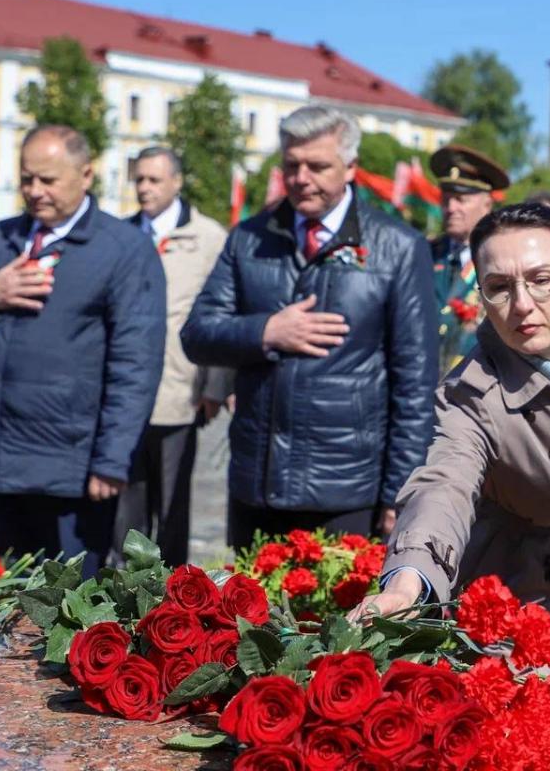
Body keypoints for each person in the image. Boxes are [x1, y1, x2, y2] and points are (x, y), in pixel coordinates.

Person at [360, 203, 550, 663]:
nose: (523, 304)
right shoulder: (472, 393)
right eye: (500, 288)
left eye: (542, 279)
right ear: (483, 299)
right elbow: (445, 484)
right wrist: (410, 581)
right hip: (515, 584)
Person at [180, 105, 437, 548]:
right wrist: (265, 333)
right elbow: (198, 334)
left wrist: (401, 492)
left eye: (318, 166)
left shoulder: (398, 248)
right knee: (252, 619)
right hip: (256, 485)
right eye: (291, 165)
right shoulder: (249, 239)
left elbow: (414, 382)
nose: (301, 178)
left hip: (345, 490)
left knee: (334, 620)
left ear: (351, 167)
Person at [0, 124, 166, 579]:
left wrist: (112, 458)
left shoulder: (124, 250)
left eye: (48, 180)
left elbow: (135, 363)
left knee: (66, 618)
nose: (35, 191)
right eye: (26, 178)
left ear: (86, 174)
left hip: (72, 470)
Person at [110, 146, 232, 567]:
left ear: (177, 182)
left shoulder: (209, 237)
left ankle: (173, 597)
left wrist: (216, 384)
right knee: (126, 504)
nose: (144, 188)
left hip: (180, 391)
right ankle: (124, 591)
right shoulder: (121, 234)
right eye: (139, 179)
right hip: (125, 392)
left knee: (173, 503)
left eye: (154, 179)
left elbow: (223, 313)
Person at [429, 144, 509, 376]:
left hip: (477, 382)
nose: (450, 208)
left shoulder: (501, 258)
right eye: (445, 200)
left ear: (486, 204)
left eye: (460, 199)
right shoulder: (424, 253)